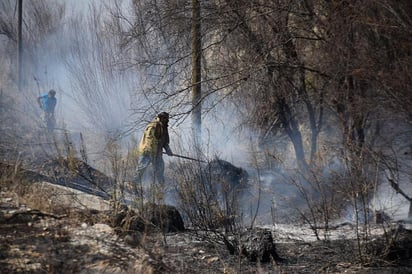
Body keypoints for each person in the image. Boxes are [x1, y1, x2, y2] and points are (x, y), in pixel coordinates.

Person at [134, 112, 173, 186]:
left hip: (157, 153)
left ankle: (162, 186)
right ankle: (134, 184)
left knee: (160, 169)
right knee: (141, 169)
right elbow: (149, 142)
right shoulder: (153, 126)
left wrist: (168, 150)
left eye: (167, 118)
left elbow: (165, 142)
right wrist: (152, 154)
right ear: (161, 118)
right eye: (165, 118)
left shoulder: (164, 127)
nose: (167, 120)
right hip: (147, 152)